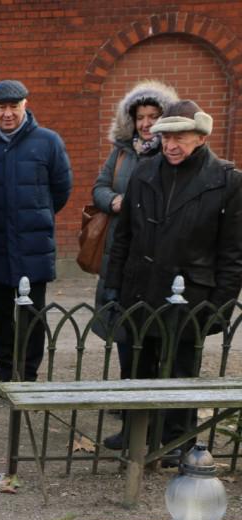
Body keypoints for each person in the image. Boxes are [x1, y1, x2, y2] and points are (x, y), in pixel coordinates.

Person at [106, 100, 242, 464]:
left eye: (179, 136)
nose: (170, 144)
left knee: (182, 367)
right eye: (166, 136)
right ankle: (136, 429)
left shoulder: (226, 180)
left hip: (191, 292)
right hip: (141, 285)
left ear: (200, 136)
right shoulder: (145, 172)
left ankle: (176, 439)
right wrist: (113, 287)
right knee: (137, 361)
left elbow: (232, 254)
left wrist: (221, 306)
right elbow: (124, 238)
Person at [89, 81, 177, 449]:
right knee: (122, 331)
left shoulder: (172, 154)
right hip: (118, 252)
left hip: (155, 255)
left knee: (153, 337)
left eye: (153, 116)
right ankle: (129, 403)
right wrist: (115, 201)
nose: (145, 124)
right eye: (140, 117)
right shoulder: (122, 152)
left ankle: (152, 414)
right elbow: (99, 187)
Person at [0, 80, 72, 382]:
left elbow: (61, 188)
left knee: (32, 314)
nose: (8, 113)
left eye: (14, 106)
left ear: (25, 106)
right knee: (0, 315)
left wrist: (38, 211)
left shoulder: (48, 142)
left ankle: (27, 373)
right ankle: (5, 370)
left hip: (33, 243)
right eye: (2, 107)